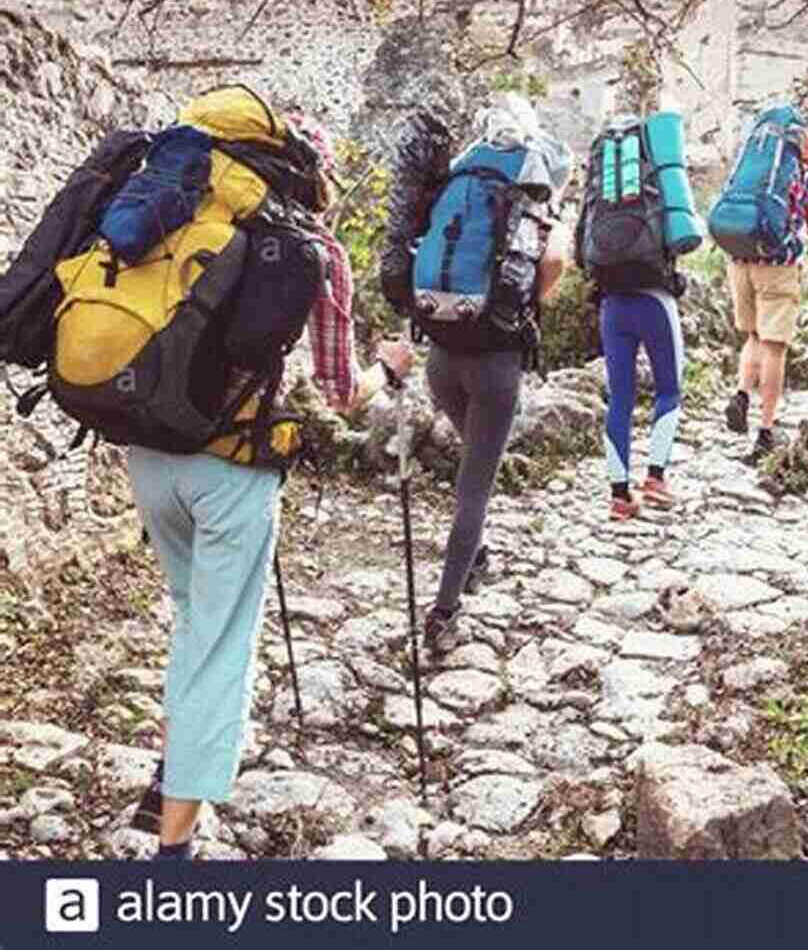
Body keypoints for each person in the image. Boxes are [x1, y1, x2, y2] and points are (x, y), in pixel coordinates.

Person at [128, 111, 415, 860]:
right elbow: (341, 389)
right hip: (231, 470)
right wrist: (389, 371)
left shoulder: (169, 214)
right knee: (223, 645)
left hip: (148, 453)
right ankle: (174, 851)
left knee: (194, 616)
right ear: (309, 177)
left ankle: (170, 771)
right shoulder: (312, 248)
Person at [407, 99, 573, 652]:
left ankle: (475, 555)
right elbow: (553, 264)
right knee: (474, 489)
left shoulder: (465, 182)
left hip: (441, 355)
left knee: (472, 463)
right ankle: (444, 611)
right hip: (495, 363)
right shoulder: (536, 204)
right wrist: (526, 305)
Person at [723, 128, 808, 464]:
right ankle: (766, 429)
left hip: (739, 262)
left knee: (753, 337)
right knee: (775, 346)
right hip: (778, 266)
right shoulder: (807, 179)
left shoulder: (754, 170)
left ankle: (742, 395)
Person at [595, 277, 686, 521]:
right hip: (655, 301)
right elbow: (686, 240)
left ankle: (620, 496)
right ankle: (655, 479)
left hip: (612, 303)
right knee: (669, 390)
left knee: (619, 398)